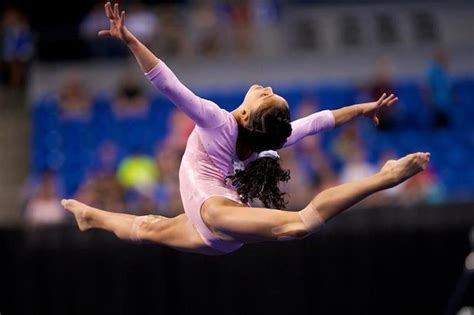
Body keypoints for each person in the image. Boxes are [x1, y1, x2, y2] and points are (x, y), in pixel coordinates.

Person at [62, 2, 430, 256]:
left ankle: (384, 178)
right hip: (214, 225)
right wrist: (363, 107)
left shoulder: (217, 121)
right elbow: (322, 120)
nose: (266, 88)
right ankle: (91, 216)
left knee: (299, 225)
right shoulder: (262, 137)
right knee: (149, 228)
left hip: (216, 214)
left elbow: (167, 83)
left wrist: (130, 41)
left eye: (267, 96)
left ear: (248, 117)